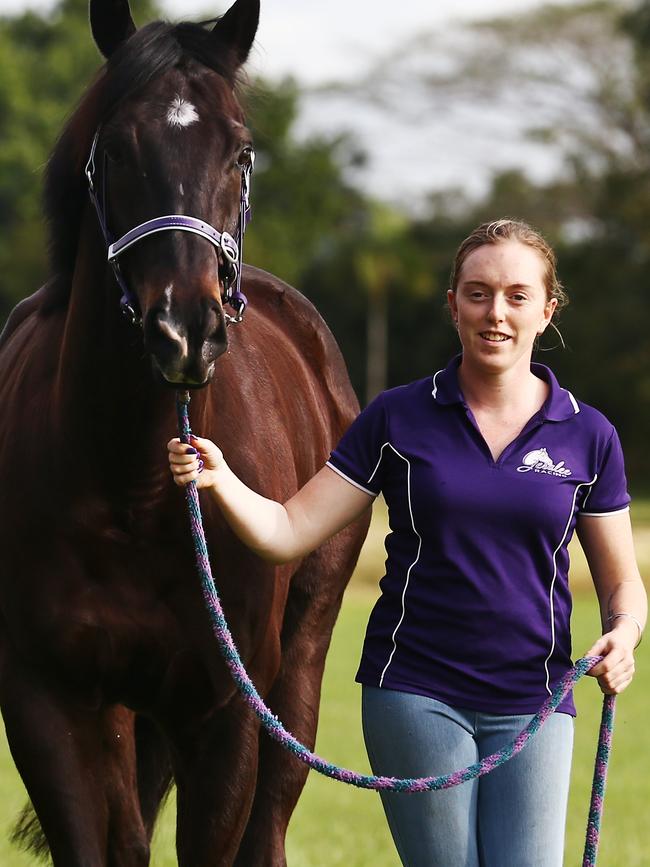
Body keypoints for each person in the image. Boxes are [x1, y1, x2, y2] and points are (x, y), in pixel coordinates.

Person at [168, 219, 647, 867]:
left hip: (536, 700)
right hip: (417, 693)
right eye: (477, 293)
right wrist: (221, 480)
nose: (495, 312)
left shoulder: (589, 436)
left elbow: (623, 587)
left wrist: (625, 634)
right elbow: (287, 532)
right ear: (452, 304)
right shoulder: (397, 417)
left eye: (516, 295)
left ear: (546, 309)